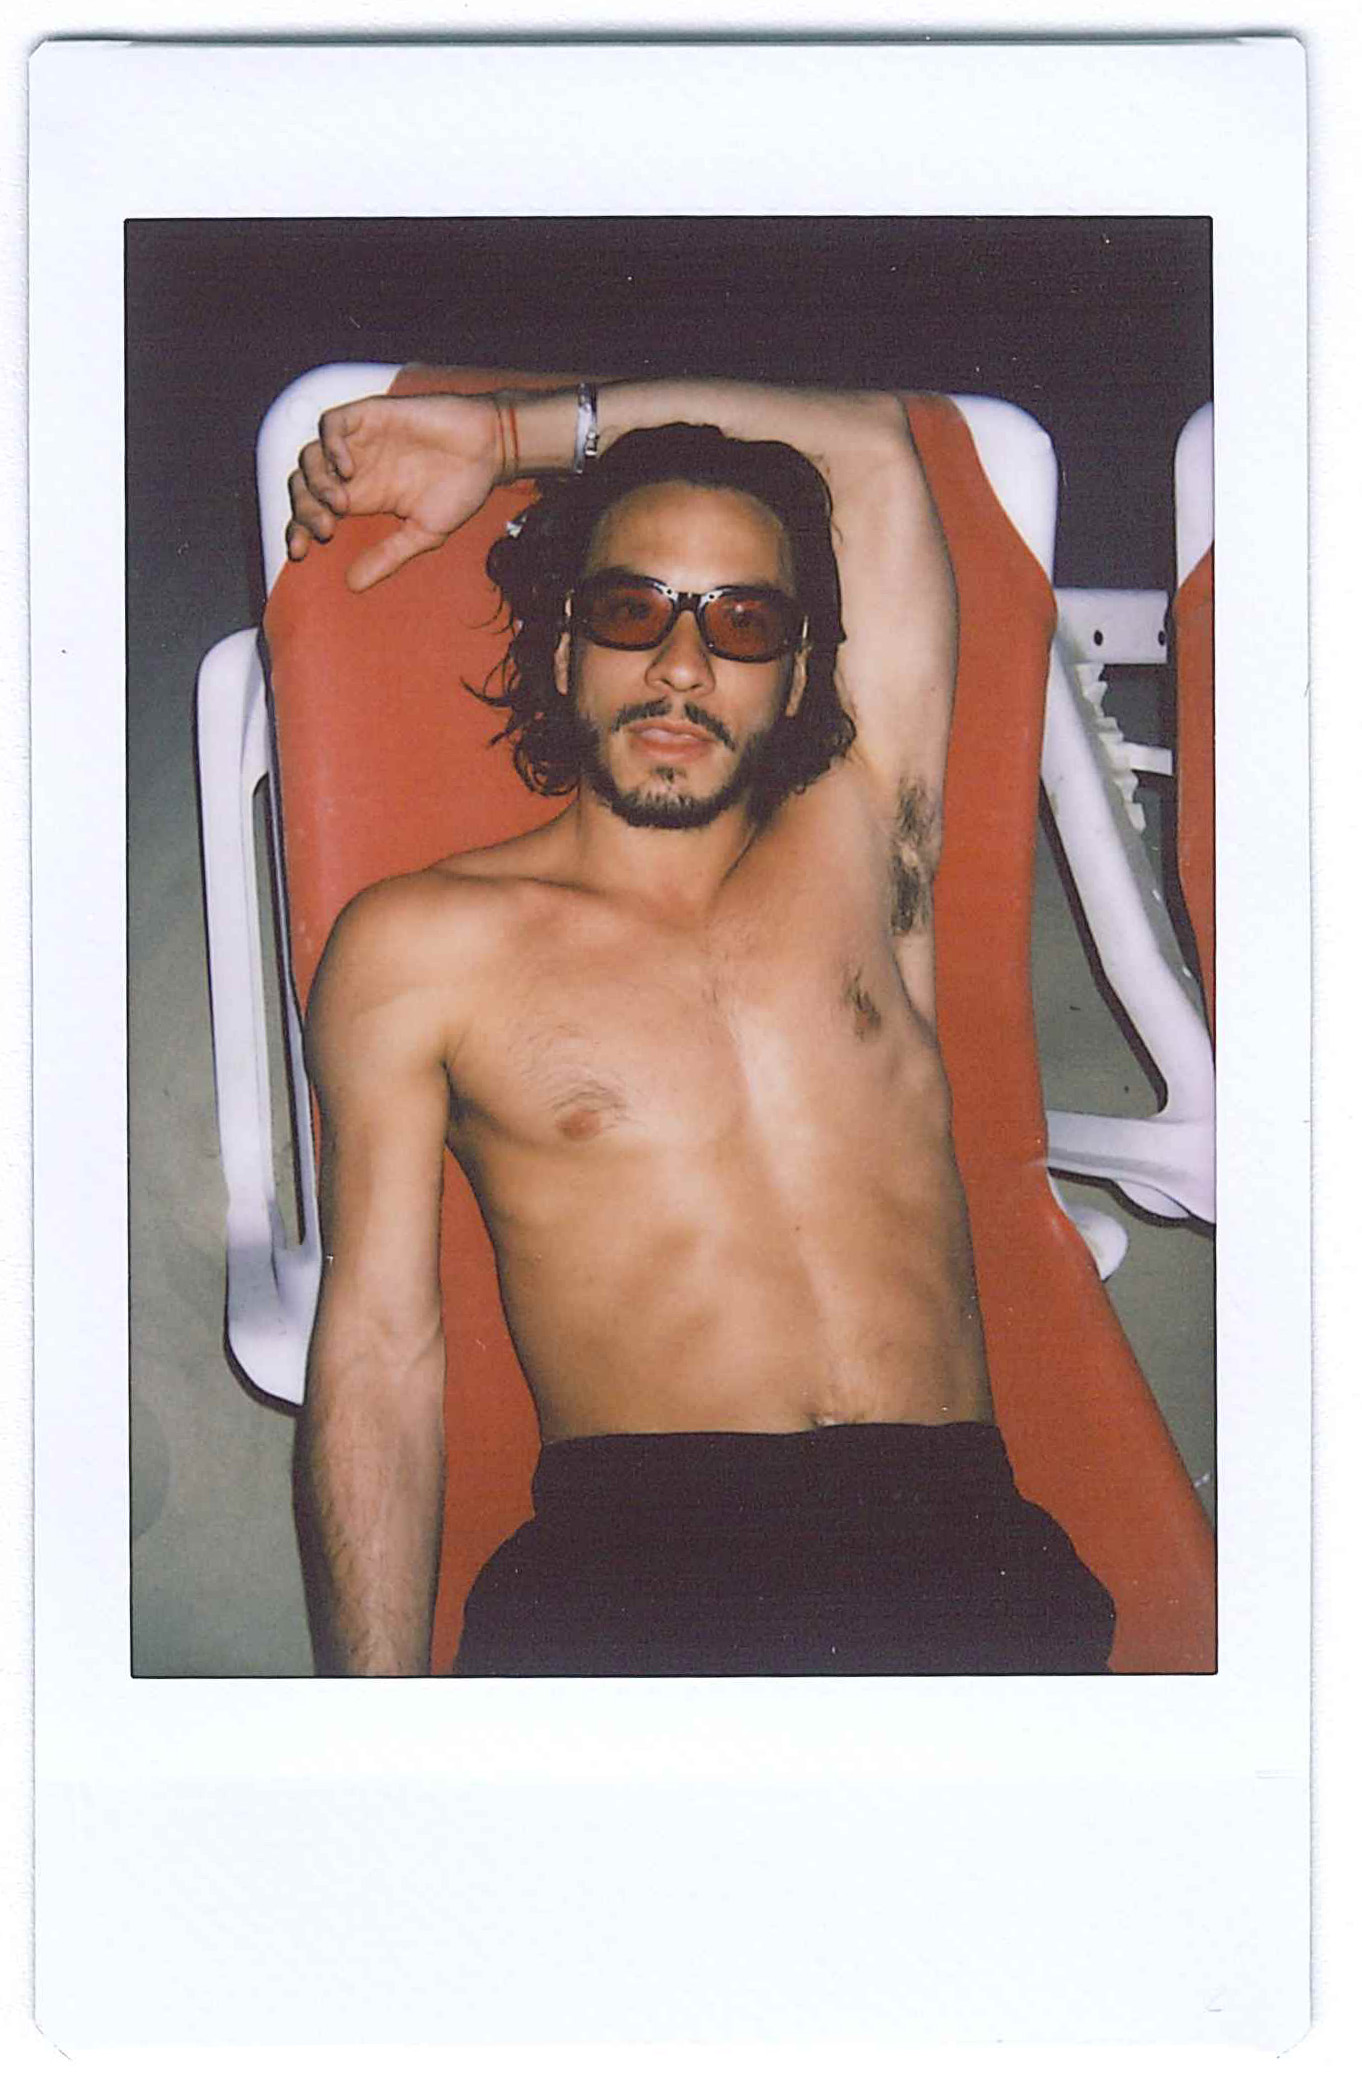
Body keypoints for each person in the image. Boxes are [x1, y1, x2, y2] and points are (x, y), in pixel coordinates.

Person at [285, 375, 1116, 1677]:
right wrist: (370, 1732)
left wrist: (508, 439)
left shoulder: (863, 849)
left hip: (959, 1552)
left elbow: (870, 448)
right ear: (565, 652)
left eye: (741, 622)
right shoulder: (421, 944)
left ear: (797, 680)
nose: (681, 667)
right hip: (644, 1565)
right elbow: (380, 1352)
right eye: (632, 610)